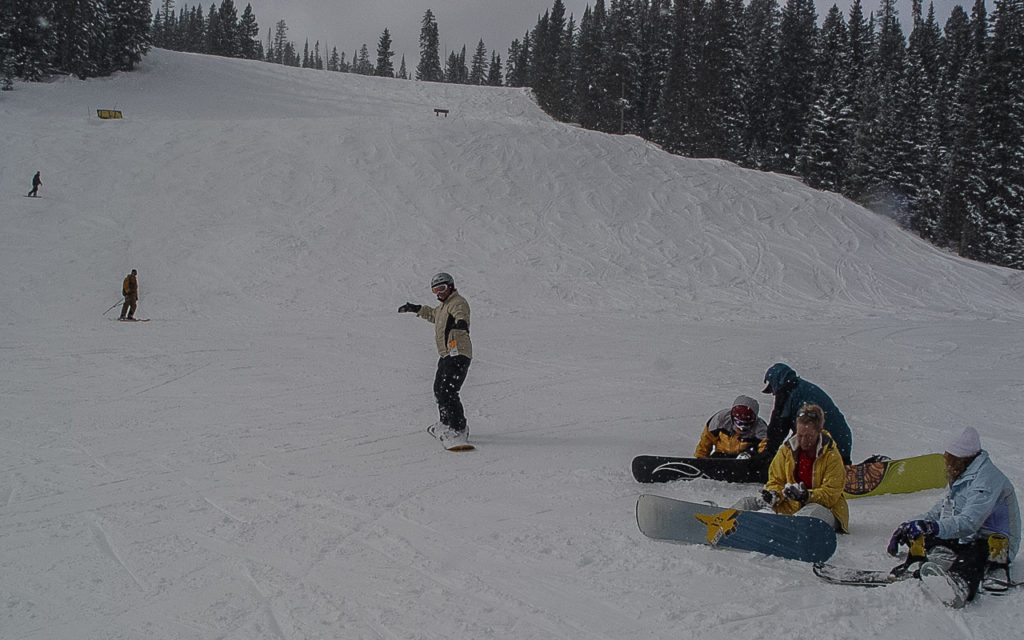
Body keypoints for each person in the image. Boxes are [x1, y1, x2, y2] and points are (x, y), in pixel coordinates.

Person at [886, 426, 1020, 607]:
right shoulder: (965, 473)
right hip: (968, 537)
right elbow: (944, 508)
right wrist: (912, 525)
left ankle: (961, 584)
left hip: (995, 544)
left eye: (949, 457)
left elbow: (969, 522)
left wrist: (934, 527)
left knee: (976, 551)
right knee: (930, 533)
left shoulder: (986, 480)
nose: (946, 461)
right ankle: (941, 557)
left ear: (962, 458)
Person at [733, 404, 849, 533]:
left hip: (825, 509)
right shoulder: (787, 450)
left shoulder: (831, 455)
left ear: (818, 432)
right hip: (790, 508)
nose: (803, 441)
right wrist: (774, 494)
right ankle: (724, 524)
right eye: (800, 435)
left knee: (811, 513)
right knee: (747, 503)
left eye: (809, 436)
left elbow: (831, 494)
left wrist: (807, 496)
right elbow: (776, 480)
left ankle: (787, 533)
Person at [398, 272, 473, 447]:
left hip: (458, 353)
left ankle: (459, 429)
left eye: (442, 288)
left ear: (451, 286)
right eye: (435, 290)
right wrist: (416, 308)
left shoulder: (457, 302)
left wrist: (461, 322)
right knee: (439, 389)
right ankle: (445, 423)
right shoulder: (443, 307)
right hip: (447, 354)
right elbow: (433, 315)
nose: (439, 293)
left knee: (449, 391)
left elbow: (461, 314)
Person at [757, 362, 853, 466]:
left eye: (772, 388)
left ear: (777, 382)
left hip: (828, 445)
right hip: (842, 441)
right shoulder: (801, 388)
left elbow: (780, 426)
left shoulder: (788, 393)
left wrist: (769, 452)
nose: (773, 393)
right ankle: (842, 466)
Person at [694, 395, 768, 459]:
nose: (742, 427)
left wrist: (758, 459)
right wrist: (700, 458)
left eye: (746, 424)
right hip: (721, 457)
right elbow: (706, 440)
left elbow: (764, 448)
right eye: (739, 422)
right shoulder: (720, 420)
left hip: (745, 460)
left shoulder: (761, 429)